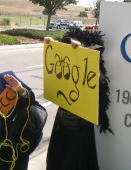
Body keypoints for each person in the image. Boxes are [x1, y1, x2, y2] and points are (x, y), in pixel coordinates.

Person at [45, 27, 113, 170]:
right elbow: (54, 75)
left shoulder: (96, 71)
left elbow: (100, 83)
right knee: (57, 160)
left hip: (81, 126)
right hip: (62, 121)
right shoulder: (64, 63)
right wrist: (52, 47)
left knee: (77, 162)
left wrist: (82, 54)